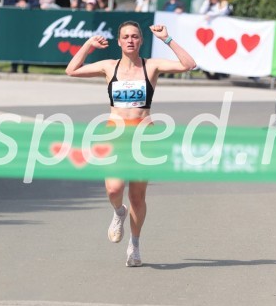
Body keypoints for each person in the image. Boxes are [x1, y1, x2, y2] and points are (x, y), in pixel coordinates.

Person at [65, 22, 197, 267]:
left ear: (141, 41)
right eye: (125, 36)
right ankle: (118, 212)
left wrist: (167, 39)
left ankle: (134, 245)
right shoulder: (108, 67)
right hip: (115, 135)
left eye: (135, 36)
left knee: (138, 196)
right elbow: (71, 70)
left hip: (143, 137)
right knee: (114, 189)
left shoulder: (152, 66)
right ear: (118, 41)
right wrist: (88, 45)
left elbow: (189, 65)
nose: (130, 40)